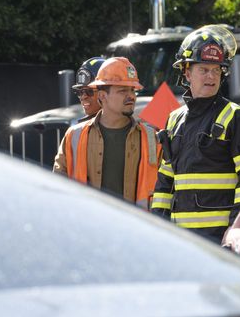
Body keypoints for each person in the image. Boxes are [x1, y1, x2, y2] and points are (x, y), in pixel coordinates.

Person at [151, 25, 240, 243]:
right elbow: (165, 181)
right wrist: (159, 226)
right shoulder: (174, 119)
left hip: (219, 240)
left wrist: (234, 231)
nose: (211, 76)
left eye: (216, 70)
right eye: (203, 69)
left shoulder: (236, 117)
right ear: (187, 72)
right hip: (180, 239)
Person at [53, 57, 161, 210]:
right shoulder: (74, 136)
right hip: (89, 227)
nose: (131, 96)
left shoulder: (152, 138)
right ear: (102, 96)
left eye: (133, 90)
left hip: (135, 230)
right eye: (123, 90)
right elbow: (58, 187)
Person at [72, 57, 105, 122]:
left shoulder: (127, 127)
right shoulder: (78, 130)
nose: (83, 97)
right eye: (80, 92)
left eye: (89, 91)